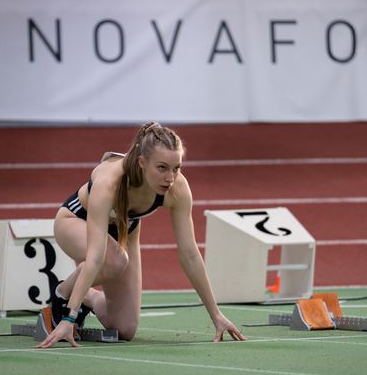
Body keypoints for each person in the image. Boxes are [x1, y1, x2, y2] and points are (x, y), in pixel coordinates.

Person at [37, 122, 247, 348]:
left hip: (126, 230)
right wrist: (69, 317)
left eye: (176, 168)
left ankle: (87, 296)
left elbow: (190, 254)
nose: (170, 178)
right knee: (113, 261)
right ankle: (61, 295)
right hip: (76, 221)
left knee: (124, 327)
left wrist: (216, 314)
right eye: (162, 168)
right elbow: (96, 256)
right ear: (142, 162)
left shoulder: (177, 188)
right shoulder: (110, 182)